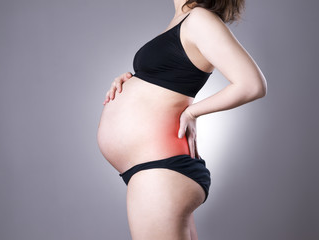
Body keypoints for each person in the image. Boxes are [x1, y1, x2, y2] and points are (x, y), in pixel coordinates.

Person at [97, 0, 267, 239]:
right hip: (154, 171)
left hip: (161, 170)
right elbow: (169, 78)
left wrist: (191, 112)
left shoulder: (199, 18)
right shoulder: (182, 20)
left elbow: (252, 84)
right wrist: (131, 79)